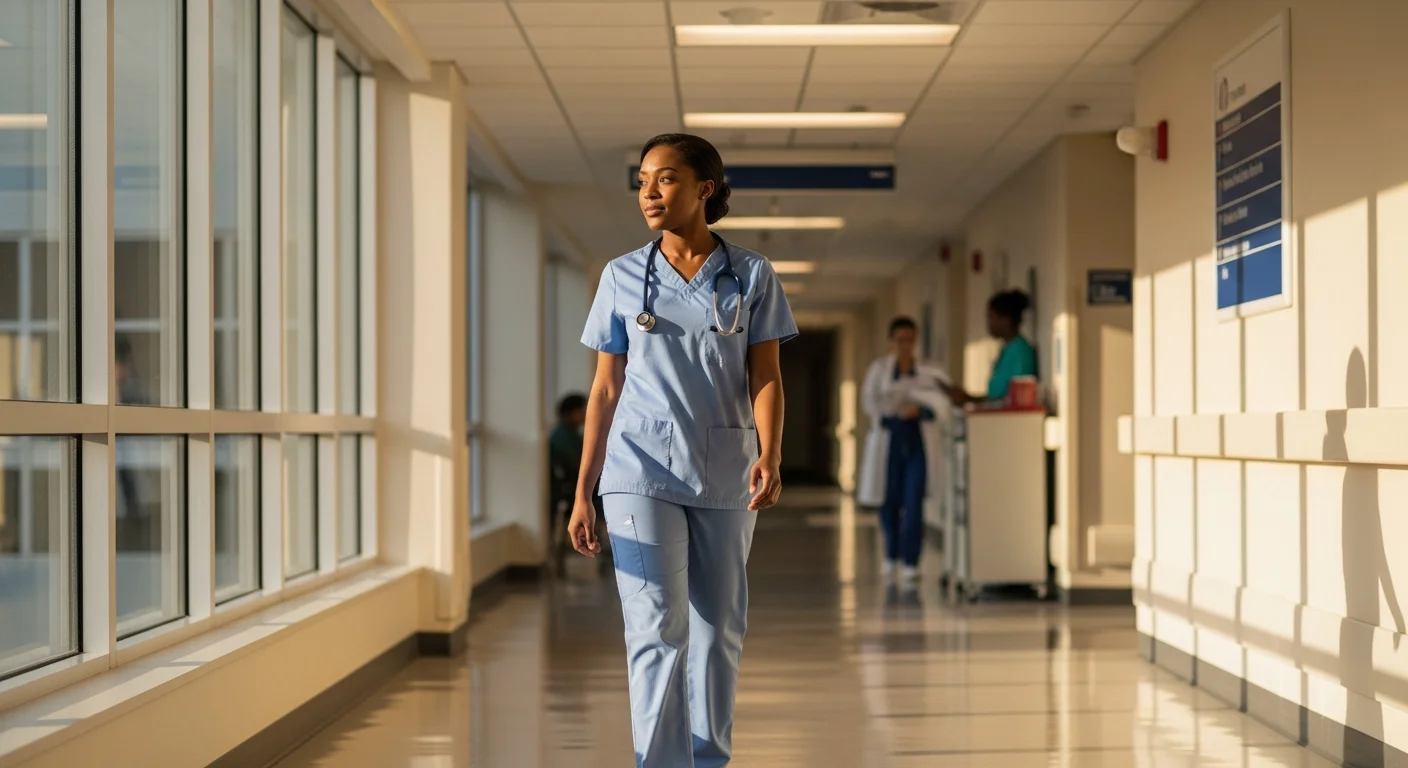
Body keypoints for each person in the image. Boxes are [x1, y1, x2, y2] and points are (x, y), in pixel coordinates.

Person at [569, 132, 798, 768]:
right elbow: (605, 388)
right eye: (642, 179)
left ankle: (708, 758)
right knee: (654, 629)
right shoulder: (621, 276)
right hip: (637, 469)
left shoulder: (751, 274)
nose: (648, 191)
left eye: (665, 178)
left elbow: (767, 376)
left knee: (717, 628)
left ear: (705, 189)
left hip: (727, 468)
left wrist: (771, 454)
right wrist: (584, 490)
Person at [858, 317, 948, 583]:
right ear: (891, 341)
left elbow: (942, 403)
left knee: (913, 500)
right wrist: (889, 410)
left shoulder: (929, 371)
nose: (905, 345)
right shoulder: (879, 370)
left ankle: (911, 560)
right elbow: (868, 402)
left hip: (917, 439)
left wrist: (921, 410)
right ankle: (891, 553)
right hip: (890, 439)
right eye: (900, 340)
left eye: (910, 340)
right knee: (888, 501)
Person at [941, 289, 1038, 406]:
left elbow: (1013, 399)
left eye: (991, 317)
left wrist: (970, 399)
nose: (988, 323)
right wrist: (969, 398)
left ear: (1006, 320)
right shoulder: (1007, 350)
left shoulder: (1020, 352)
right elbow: (996, 396)